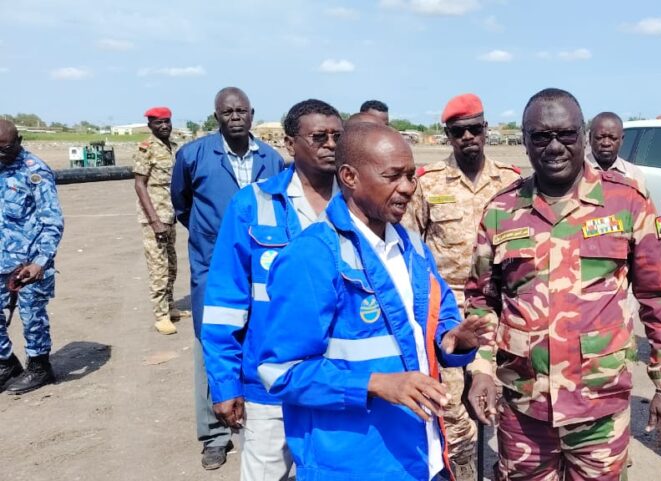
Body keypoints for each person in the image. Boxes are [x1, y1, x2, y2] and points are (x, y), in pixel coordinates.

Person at [465, 88, 661, 480]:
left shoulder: (627, 202)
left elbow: (658, 300)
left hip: (599, 405)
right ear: (525, 140)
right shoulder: (501, 211)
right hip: (524, 409)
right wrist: (481, 368)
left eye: (566, 134)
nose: (554, 146)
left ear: (582, 135)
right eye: (540, 136)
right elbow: (482, 301)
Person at [255, 122, 491, 481]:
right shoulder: (312, 257)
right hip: (357, 463)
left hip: (424, 454)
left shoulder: (412, 247)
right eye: (392, 176)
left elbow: (437, 318)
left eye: (410, 176)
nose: (408, 187)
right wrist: (377, 383)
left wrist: (452, 339)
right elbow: (281, 372)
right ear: (349, 177)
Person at [201, 99, 342, 480]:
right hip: (269, 386)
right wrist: (225, 383)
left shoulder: (357, 203)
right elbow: (224, 303)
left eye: (337, 136)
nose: (331, 144)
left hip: (336, 383)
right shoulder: (253, 204)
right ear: (290, 143)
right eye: (319, 137)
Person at [402, 92, 521, 480]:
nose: (467, 137)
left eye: (473, 129)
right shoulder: (428, 182)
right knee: (451, 403)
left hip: (498, 306)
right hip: (448, 308)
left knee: (505, 395)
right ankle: (462, 467)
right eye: (458, 132)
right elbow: (411, 247)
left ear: (485, 130)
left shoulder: (511, 181)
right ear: (448, 136)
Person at [172, 86, 286, 470]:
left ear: (252, 114)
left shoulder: (271, 159)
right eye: (227, 112)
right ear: (216, 116)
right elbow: (182, 205)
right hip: (211, 267)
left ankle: (259, 418)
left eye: (241, 111)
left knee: (261, 341)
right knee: (213, 343)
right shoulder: (193, 155)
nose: (235, 117)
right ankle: (214, 436)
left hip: (261, 269)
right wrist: (212, 241)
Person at [0, 119, 64, 395]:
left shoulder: (35, 171)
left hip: (28, 263)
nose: (0, 154)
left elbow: (52, 222)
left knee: (32, 316)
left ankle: (39, 366)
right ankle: (6, 364)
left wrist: (40, 262)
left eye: (5, 148)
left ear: (19, 141)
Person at [133, 106, 186, 335]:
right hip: (154, 217)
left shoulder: (173, 146)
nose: (164, 126)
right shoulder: (146, 148)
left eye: (167, 122)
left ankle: (171, 306)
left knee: (171, 264)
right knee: (158, 267)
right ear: (150, 126)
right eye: (158, 123)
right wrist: (154, 220)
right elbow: (139, 185)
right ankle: (160, 315)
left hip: (170, 215)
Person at [586, 111, 646, 188]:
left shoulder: (634, 174)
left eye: (613, 138)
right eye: (600, 137)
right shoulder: (577, 170)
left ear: (622, 139)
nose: (606, 143)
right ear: (590, 137)